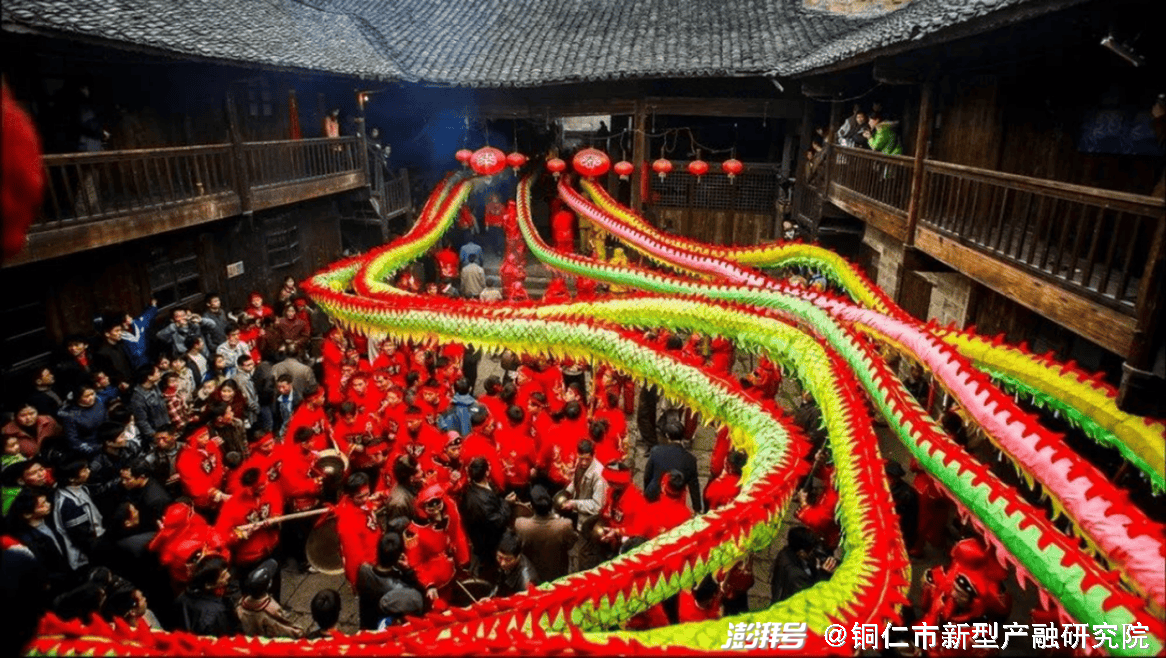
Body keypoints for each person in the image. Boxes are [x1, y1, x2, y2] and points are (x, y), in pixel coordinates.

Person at [356, 531, 424, 630]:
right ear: (399, 556)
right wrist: (408, 571)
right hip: (386, 631)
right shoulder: (401, 589)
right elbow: (420, 600)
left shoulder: (363, 571)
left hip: (367, 626)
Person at [459, 456, 511, 579]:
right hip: (488, 543)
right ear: (487, 472)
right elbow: (498, 521)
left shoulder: (475, 488)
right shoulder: (479, 501)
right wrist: (506, 503)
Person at [513, 484, 576, 583]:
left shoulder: (520, 524)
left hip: (531, 575)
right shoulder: (565, 525)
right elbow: (571, 544)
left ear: (532, 506)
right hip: (558, 574)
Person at [642, 419, 702, 513]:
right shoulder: (690, 459)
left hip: (654, 495)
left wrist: (646, 492)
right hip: (675, 500)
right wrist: (697, 508)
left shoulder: (656, 451)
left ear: (667, 435)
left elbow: (647, 475)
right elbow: (694, 487)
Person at [236, 559, 303, 638]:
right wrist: (297, 632)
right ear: (269, 585)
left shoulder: (241, 605)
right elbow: (281, 625)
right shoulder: (271, 608)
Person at [174, 554, 239, 635]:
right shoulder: (218, 612)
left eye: (227, 571)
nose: (228, 576)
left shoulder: (183, 597)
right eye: (222, 576)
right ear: (209, 585)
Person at [770, 526, 837, 604]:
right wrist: (823, 573)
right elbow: (811, 595)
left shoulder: (789, 551)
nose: (813, 552)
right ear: (801, 553)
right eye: (812, 550)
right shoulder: (795, 575)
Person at [493, 530, 540, 597]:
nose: (502, 563)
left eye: (508, 560)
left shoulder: (527, 582)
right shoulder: (506, 565)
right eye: (500, 557)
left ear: (518, 556)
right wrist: (491, 598)